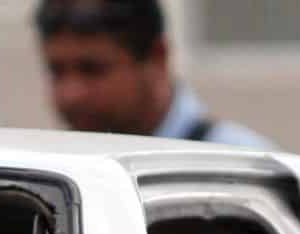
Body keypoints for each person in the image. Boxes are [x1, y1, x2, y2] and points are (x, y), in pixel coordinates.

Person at [33, 0, 273, 148]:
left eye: (92, 70)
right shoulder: (58, 176)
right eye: (57, 71)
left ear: (157, 56)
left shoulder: (239, 170)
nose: (71, 94)